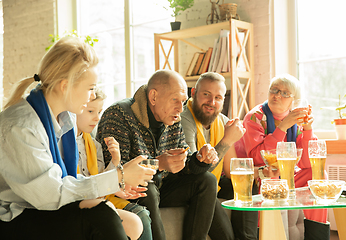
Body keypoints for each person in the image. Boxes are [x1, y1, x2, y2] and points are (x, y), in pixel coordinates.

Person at [0, 37, 155, 239]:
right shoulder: (20, 127)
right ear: (65, 86)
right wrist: (117, 177)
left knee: (134, 222)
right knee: (102, 215)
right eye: (90, 87)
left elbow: (66, 181)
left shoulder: (66, 119)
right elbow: (50, 194)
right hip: (15, 216)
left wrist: (117, 181)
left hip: (42, 205)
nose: (92, 96)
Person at [96, 69, 221, 240]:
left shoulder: (173, 118)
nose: (180, 108)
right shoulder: (118, 115)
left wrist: (199, 159)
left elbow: (185, 165)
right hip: (131, 192)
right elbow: (116, 173)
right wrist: (158, 164)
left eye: (183, 102)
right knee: (148, 189)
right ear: (153, 97)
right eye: (175, 100)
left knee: (207, 180)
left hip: (163, 186)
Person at [234, 74, 329, 240]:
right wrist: (283, 127)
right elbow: (258, 159)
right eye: (274, 90)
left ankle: (317, 237)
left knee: (318, 177)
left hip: (286, 175)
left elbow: (307, 163)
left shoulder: (297, 119)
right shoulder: (255, 117)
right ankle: (267, 233)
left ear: (295, 100)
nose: (277, 95)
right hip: (261, 175)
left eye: (285, 93)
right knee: (271, 176)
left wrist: (308, 129)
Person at [180, 72, 258, 240]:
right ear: (193, 93)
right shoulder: (184, 119)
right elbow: (194, 172)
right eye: (206, 95)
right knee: (226, 236)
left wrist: (257, 173)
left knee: (248, 184)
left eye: (218, 97)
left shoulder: (222, 121)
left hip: (211, 182)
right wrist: (227, 140)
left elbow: (231, 171)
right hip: (191, 186)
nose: (212, 102)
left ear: (223, 100)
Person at [76, 88, 152, 240]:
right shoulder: (63, 143)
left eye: (99, 112)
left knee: (142, 213)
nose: (97, 118)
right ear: (76, 109)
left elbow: (103, 178)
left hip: (99, 196)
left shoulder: (93, 144)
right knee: (137, 217)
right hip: (81, 200)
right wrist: (115, 183)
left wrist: (115, 159)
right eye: (91, 111)